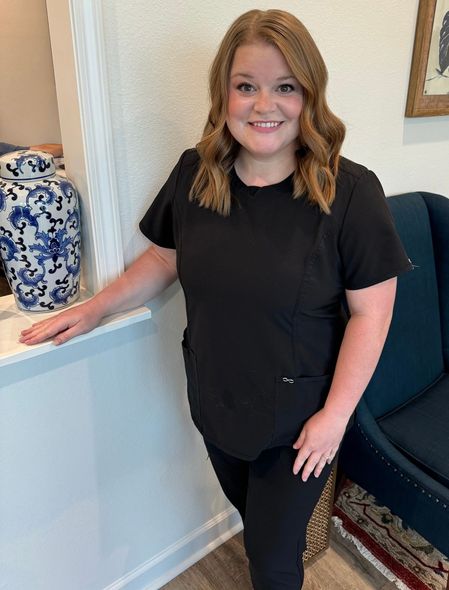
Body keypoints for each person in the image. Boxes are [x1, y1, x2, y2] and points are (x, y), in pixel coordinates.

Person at [19, 9, 413, 589]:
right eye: (245, 86)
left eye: (286, 87)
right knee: (254, 523)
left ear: (310, 94)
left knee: (272, 562)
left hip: (300, 423)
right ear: (222, 93)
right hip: (216, 402)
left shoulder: (350, 191)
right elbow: (164, 258)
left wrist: (335, 418)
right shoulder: (197, 173)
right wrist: (93, 307)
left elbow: (371, 313)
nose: (264, 104)